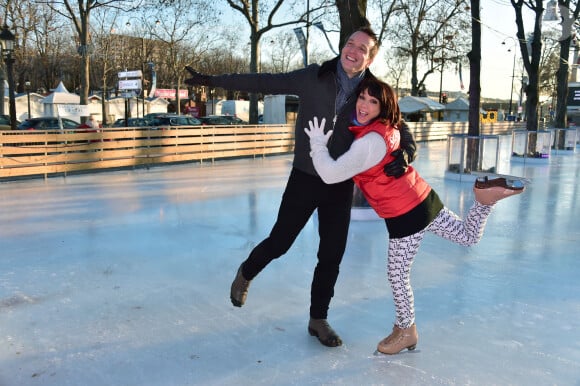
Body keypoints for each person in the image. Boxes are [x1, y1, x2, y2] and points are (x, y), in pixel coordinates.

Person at [184, 26, 418, 347]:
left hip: (339, 182)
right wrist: (213, 80)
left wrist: (405, 152)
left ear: (371, 56)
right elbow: (264, 82)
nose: (353, 50)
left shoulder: (372, 91)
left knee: (331, 254)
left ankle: (318, 319)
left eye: (362, 48)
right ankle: (247, 271)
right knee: (281, 241)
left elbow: (398, 125)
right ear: (343, 45)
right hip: (305, 176)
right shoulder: (314, 76)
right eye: (350, 43)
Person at [304, 78, 525, 354]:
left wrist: (316, 143)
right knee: (467, 236)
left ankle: (406, 330)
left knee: (397, 274)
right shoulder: (388, 127)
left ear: (383, 107)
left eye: (373, 102)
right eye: (363, 97)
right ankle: (483, 201)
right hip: (422, 197)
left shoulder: (370, 141)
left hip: (404, 213)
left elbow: (330, 173)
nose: (364, 105)